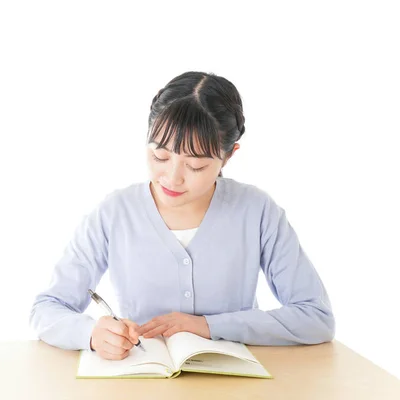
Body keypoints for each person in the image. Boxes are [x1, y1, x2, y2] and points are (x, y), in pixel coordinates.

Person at [29, 71, 335, 361]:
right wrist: (91, 334)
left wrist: (209, 326)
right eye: (160, 156)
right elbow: (47, 309)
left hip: (233, 383)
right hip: (142, 379)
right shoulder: (114, 213)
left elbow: (316, 317)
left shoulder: (257, 211)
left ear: (229, 155)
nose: (172, 179)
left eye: (196, 166)